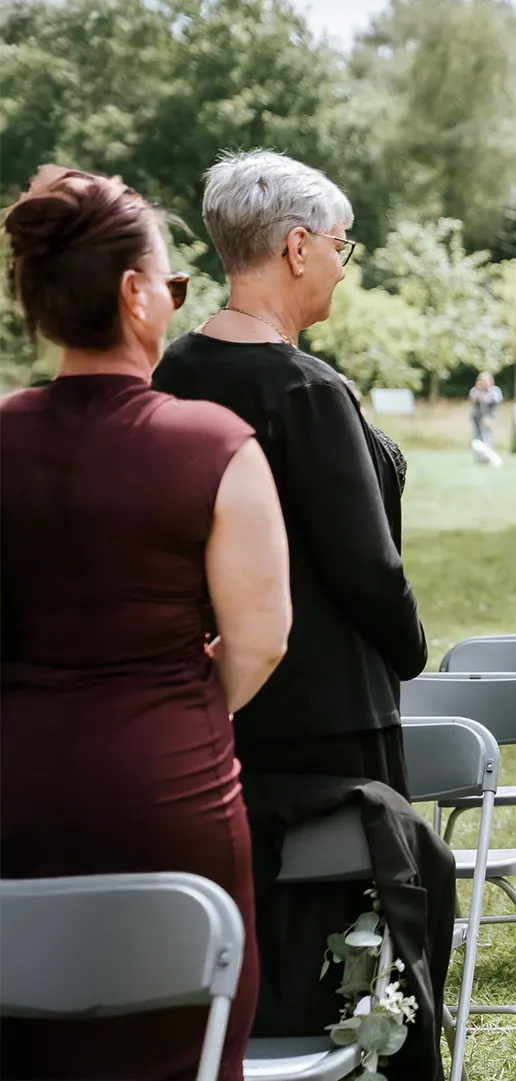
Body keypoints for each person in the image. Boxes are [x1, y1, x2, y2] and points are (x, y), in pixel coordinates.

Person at [151, 150, 448, 1075]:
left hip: (213, 708)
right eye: (340, 244)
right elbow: (367, 567)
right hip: (330, 717)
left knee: (243, 932)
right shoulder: (305, 392)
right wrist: (410, 649)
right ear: (295, 246)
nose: (341, 263)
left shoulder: (170, 374)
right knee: (347, 950)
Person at [0, 165, 291, 1080]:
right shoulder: (213, 444)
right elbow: (260, 638)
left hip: (14, 792)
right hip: (168, 797)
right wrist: (178, 703)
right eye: (172, 283)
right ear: (134, 296)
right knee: (183, 1053)